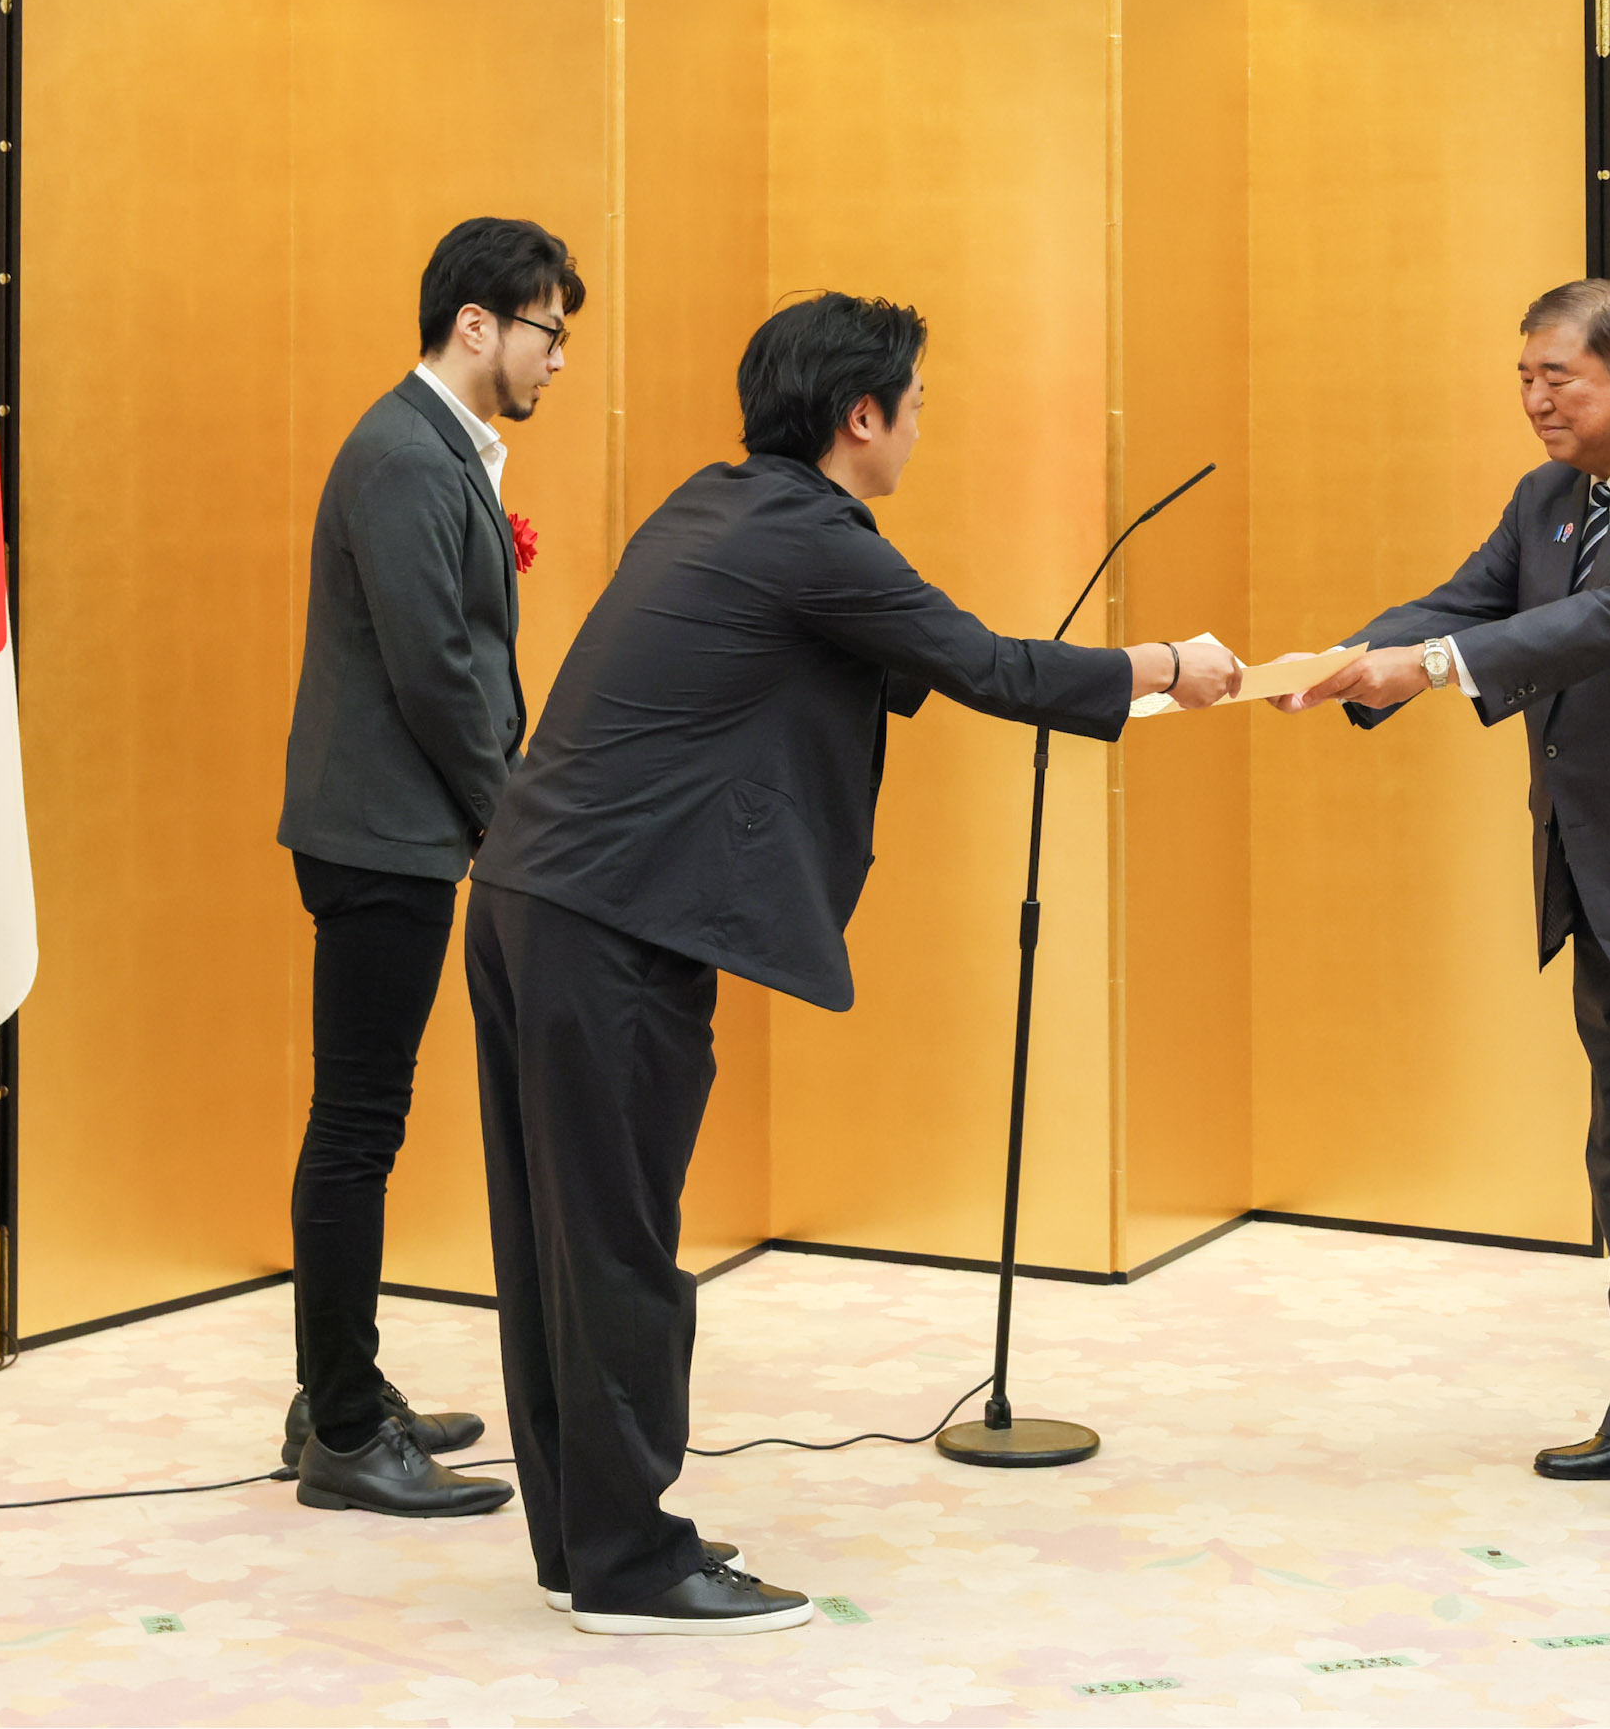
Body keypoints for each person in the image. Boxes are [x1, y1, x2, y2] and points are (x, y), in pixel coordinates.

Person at [465, 292, 1241, 1633]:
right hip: (610, 926)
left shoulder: (722, 506)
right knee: (621, 1248)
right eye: (917, 403)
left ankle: (583, 1539)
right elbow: (982, 661)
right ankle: (633, 1567)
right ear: (859, 415)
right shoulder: (813, 538)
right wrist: (1172, 662)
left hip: (532, 898)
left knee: (565, 1244)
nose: (923, 426)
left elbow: (883, 665)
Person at [1278, 279, 1610, 1516]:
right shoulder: (1545, 500)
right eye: (1522, 379)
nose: (1533, 401)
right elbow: (1465, 603)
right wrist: (1334, 663)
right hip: (1603, 882)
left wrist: (1421, 667)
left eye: (1556, 378)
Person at [273, 217, 582, 1518]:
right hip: (379, 838)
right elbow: (437, 671)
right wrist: (509, 817)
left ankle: (336, 1387)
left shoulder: (438, 446)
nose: (559, 358)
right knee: (357, 1128)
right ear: (478, 325)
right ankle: (343, 1427)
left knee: (364, 1122)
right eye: (548, 331)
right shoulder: (407, 454)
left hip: (397, 830)